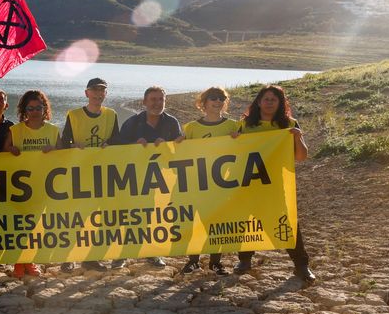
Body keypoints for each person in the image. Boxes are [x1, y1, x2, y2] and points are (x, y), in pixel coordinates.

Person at [234, 85, 315, 282]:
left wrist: (298, 137)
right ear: (259, 102)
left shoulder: (289, 124)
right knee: (247, 220)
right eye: (266, 99)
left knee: (287, 222)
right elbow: (232, 152)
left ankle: (301, 265)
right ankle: (244, 260)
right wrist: (234, 140)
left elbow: (301, 157)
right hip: (248, 182)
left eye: (274, 99)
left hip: (276, 183)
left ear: (280, 103)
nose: (269, 102)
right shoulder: (245, 125)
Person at [111, 86, 183, 268]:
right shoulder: (132, 123)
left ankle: (152, 253)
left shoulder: (171, 123)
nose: (157, 103)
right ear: (144, 102)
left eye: (161, 99)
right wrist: (134, 145)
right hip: (133, 178)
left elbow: (180, 151)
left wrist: (167, 146)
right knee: (130, 217)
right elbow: (118, 148)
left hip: (160, 179)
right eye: (153, 99)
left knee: (155, 217)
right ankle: (122, 254)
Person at [58, 77, 119, 273]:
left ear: (105, 94)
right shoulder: (74, 115)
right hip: (79, 173)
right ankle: (68, 258)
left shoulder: (111, 115)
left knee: (102, 218)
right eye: (94, 90)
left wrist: (110, 145)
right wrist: (73, 146)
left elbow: (118, 142)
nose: (98, 93)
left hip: (103, 173)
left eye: (102, 90)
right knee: (76, 217)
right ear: (87, 93)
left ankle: (92, 258)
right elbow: (63, 144)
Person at [179, 87, 241, 276]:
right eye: (212, 98)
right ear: (203, 103)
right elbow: (182, 155)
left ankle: (216, 262)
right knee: (195, 223)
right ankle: (193, 261)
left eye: (221, 98)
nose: (217, 101)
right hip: (197, 184)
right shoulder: (191, 128)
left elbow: (244, 151)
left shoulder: (233, 126)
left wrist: (240, 140)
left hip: (221, 185)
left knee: (217, 224)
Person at [4, 90, 60, 279]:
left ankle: (30, 260)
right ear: (24, 110)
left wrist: (54, 150)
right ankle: (20, 263)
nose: (35, 111)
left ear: (45, 109)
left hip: (44, 185)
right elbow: (3, 153)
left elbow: (63, 155)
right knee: (20, 225)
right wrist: (11, 149)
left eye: (38, 107)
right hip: (20, 186)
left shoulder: (53, 130)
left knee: (35, 225)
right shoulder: (16, 130)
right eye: (31, 108)